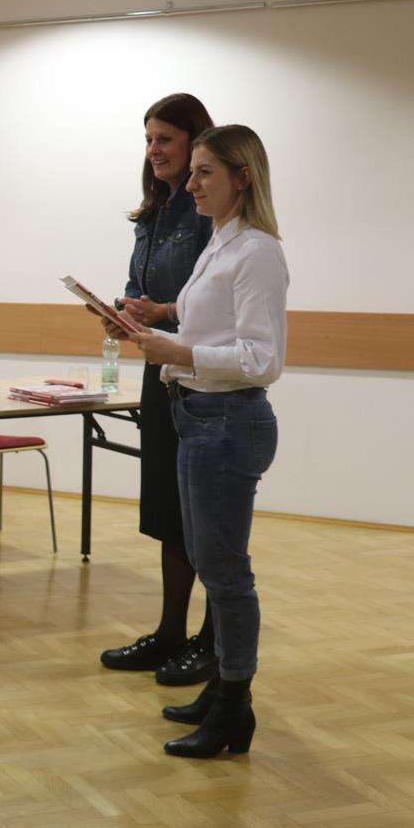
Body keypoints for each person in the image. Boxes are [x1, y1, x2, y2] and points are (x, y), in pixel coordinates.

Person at [96, 124, 287, 758]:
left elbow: (261, 359)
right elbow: (207, 322)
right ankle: (222, 690)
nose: (192, 184)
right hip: (197, 415)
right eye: (194, 171)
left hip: (228, 421)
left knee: (227, 575)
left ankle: (235, 704)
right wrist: (153, 324)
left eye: (206, 173)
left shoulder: (257, 251)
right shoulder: (220, 241)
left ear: (243, 178)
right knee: (210, 562)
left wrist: (176, 352)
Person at [97, 93, 219, 687]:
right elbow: (137, 289)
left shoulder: (212, 215)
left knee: (208, 518)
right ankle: (171, 633)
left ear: (197, 144)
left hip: (203, 375)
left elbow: (212, 304)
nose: (154, 150)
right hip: (159, 371)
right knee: (169, 512)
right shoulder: (152, 214)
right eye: (148, 140)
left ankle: (212, 643)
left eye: (165, 139)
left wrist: (162, 312)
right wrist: (121, 315)